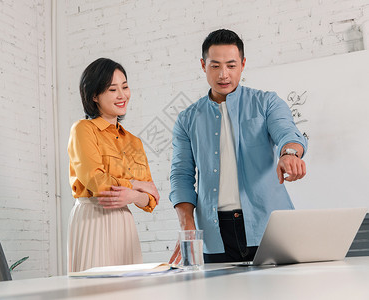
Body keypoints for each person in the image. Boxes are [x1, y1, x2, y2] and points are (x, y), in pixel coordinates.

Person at [169, 29, 307, 264]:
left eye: (231, 65)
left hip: (269, 224)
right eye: (215, 66)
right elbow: (181, 174)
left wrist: (290, 154)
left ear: (242, 64)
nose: (223, 74)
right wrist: (186, 225)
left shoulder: (266, 102)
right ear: (203, 65)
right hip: (215, 233)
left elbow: (287, 132)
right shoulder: (187, 119)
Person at [68, 58, 160, 272]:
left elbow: (151, 198)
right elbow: (98, 183)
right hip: (93, 219)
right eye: (112, 89)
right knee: (94, 292)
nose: (122, 95)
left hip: (124, 223)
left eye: (125, 87)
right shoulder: (83, 129)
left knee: (130, 291)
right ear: (94, 95)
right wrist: (137, 184)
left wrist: (133, 196)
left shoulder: (133, 141)